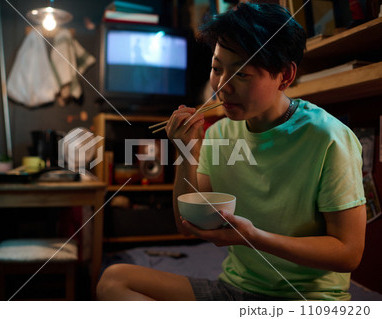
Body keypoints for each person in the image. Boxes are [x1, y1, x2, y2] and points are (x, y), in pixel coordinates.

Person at [96, 3, 366, 301]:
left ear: (285, 76)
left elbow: (348, 253)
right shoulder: (220, 132)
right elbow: (188, 226)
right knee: (114, 280)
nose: (222, 86)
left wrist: (254, 239)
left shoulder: (329, 137)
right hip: (235, 290)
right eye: (216, 68)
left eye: (241, 74)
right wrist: (186, 148)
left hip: (304, 299)